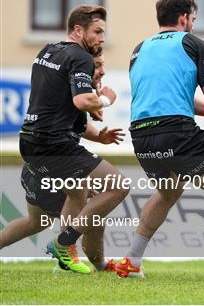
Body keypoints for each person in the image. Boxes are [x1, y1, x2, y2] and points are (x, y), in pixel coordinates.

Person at [114, 0, 204, 282]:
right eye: (193, 20)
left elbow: (182, 101)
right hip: (176, 132)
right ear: (183, 18)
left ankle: (132, 260)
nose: (194, 25)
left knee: (168, 191)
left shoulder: (139, 49)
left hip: (141, 134)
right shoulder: (194, 44)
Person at [19, 5, 129, 274]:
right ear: (78, 30)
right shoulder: (81, 57)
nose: (102, 38)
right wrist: (105, 99)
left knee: (78, 193)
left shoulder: (47, 50)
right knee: (118, 185)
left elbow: (61, 103)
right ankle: (64, 243)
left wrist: (96, 133)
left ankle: (78, 258)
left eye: (104, 32)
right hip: (52, 145)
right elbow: (81, 100)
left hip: (32, 140)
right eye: (97, 31)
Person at [1, 53, 124, 272]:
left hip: (37, 169)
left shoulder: (75, 92)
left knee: (37, 222)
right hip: (44, 170)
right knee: (86, 201)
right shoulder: (73, 91)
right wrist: (104, 99)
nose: (103, 71)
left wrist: (100, 136)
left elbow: (79, 126)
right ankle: (67, 252)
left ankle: (90, 261)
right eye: (98, 66)